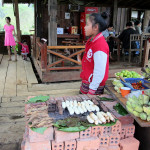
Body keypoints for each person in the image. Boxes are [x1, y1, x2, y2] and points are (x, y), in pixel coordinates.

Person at [80, 12, 109, 95]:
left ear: (96, 27)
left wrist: (91, 91)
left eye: (87, 24)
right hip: (88, 81)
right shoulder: (92, 41)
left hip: (94, 86)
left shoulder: (100, 45)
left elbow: (99, 71)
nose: (84, 27)